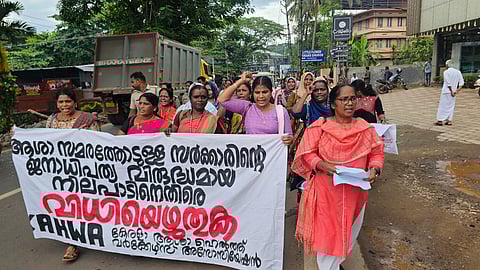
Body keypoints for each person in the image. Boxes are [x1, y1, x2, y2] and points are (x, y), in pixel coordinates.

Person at [292, 84, 384, 270]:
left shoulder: (364, 127)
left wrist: (375, 168)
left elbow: (376, 152)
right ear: (333, 104)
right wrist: (322, 165)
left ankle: (335, 265)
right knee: (327, 237)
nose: (349, 103)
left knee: (348, 234)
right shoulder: (320, 127)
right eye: (344, 99)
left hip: (355, 194)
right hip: (326, 194)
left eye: (352, 99)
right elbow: (307, 154)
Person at [45, 88, 99, 262]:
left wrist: (85, 134)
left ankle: (91, 234)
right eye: (60, 102)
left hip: (84, 171)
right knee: (66, 205)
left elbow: (98, 145)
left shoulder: (87, 119)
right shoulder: (52, 120)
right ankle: (72, 242)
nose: (64, 105)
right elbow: (45, 144)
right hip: (60, 171)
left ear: (75, 102)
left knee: (84, 204)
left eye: (67, 101)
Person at [217, 72, 293, 143]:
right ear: (252, 93)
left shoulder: (281, 111)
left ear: (271, 92)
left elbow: (289, 135)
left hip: (273, 156)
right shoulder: (246, 107)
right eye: (257, 92)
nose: (261, 96)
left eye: (264, 92)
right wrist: (241, 81)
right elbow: (221, 100)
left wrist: (288, 139)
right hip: (252, 155)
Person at [435, 60, 464, 126]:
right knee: (451, 106)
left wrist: (451, 91)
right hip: (453, 92)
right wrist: (456, 91)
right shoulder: (458, 72)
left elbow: (448, 83)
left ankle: (440, 120)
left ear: (447, 65)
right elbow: (462, 83)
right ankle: (449, 120)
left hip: (446, 91)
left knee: (442, 105)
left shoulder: (446, 72)